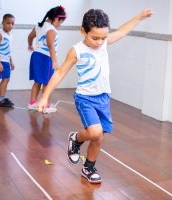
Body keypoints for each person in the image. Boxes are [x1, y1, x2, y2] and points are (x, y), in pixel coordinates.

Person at [37, 8, 153, 183]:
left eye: (103, 38)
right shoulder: (76, 51)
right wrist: (45, 96)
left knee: (99, 137)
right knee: (95, 131)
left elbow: (121, 31)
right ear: (83, 31)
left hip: (103, 97)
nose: (99, 42)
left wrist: (139, 17)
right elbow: (60, 73)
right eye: (95, 38)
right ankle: (75, 139)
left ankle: (89, 168)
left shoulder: (104, 43)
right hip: (85, 98)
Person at [28, 5, 67, 113]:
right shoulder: (51, 30)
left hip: (36, 56)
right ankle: (46, 106)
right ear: (55, 18)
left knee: (37, 82)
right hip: (45, 58)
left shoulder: (39, 26)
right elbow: (51, 46)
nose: (60, 24)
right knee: (47, 83)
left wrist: (30, 45)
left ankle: (32, 103)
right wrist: (54, 61)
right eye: (60, 21)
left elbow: (30, 36)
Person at [0, 14, 15, 107]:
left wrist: (11, 61)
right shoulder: (0, 34)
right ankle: (1, 99)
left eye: (12, 23)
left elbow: (9, 50)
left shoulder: (10, 35)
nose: (10, 25)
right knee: (5, 79)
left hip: (6, 61)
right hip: (1, 61)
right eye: (8, 23)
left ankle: (0, 97)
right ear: (3, 23)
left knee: (5, 79)